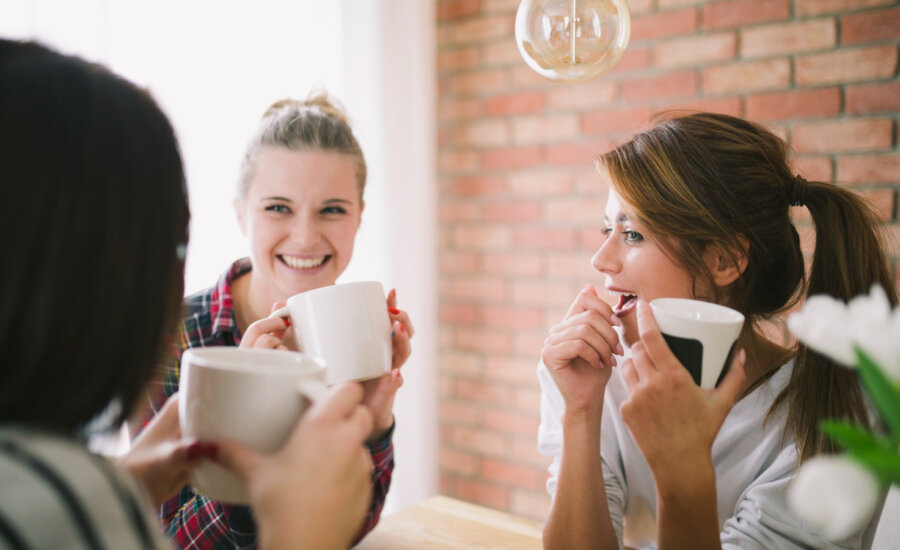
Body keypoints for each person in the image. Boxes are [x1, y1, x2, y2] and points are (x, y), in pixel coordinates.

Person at [0, 38, 375, 550]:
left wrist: (118, 485)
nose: (305, 237)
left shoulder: (57, 490)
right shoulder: (185, 335)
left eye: (332, 209)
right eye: (167, 249)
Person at [538, 112, 894, 549]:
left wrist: (683, 470)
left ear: (724, 261)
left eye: (632, 235)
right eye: (607, 228)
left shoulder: (832, 411)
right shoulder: (595, 377)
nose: (601, 259)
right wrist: (580, 412)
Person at [137, 92, 414, 549]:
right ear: (241, 213)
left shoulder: (350, 336)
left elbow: (348, 532)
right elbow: (160, 540)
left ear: (359, 217)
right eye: (278, 208)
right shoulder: (174, 335)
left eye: (332, 209)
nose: (305, 237)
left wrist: (373, 419)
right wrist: (249, 426)